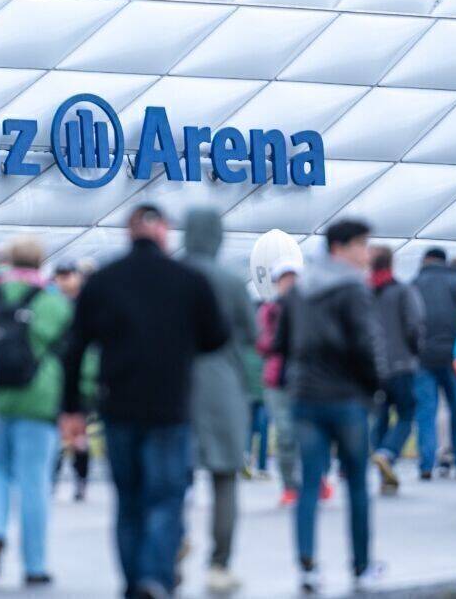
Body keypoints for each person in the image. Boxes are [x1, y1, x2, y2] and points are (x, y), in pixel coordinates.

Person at [60, 204, 228, 599]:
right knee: (166, 498)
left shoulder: (102, 281)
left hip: (118, 407)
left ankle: (134, 582)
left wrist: (72, 408)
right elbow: (216, 338)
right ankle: (155, 577)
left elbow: (74, 348)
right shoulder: (188, 280)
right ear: (164, 231)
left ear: (128, 232)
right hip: (170, 407)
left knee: (129, 500)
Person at [277, 219, 386, 593]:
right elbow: (364, 344)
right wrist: (375, 386)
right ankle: (361, 566)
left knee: (309, 482)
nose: (366, 254)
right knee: (356, 482)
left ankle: (307, 566)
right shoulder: (353, 289)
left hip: (305, 397)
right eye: (362, 246)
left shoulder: (299, 289)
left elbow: (282, 342)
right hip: (346, 398)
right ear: (340, 248)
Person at [0, 237, 72, 587]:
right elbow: (74, 352)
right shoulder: (53, 303)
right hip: (39, 401)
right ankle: (35, 565)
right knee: (34, 482)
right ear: (40, 262)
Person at [183, 208, 258, 593]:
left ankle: (173, 543)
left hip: (175, 385)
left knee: (172, 473)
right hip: (222, 385)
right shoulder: (230, 281)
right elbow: (251, 332)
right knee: (224, 476)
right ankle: (219, 564)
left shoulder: (172, 275)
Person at [413, 247, 456, 480]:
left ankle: (426, 464)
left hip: (423, 357)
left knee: (426, 412)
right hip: (453, 358)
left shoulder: (414, 284)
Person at [369, 246, 425, 495]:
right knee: (405, 415)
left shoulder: (365, 293)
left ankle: (384, 473)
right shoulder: (403, 291)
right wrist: (416, 350)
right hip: (401, 364)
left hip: (374, 367)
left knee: (380, 417)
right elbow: (414, 325)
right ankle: (387, 454)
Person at [257, 262, 305, 507]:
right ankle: (290, 486)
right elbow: (262, 343)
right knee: (285, 433)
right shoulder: (270, 310)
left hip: (305, 379)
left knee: (307, 433)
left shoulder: (310, 308)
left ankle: (313, 479)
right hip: (278, 379)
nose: (289, 283)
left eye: (292, 278)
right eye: (284, 278)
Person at [51, 261, 92, 501]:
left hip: (78, 379)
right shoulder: (52, 303)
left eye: (68, 275)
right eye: (60, 275)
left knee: (77, 436)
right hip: (60, 379)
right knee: (61, 434)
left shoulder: (83, 304)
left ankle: (80, 480)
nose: (64, 280)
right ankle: (57, 479)